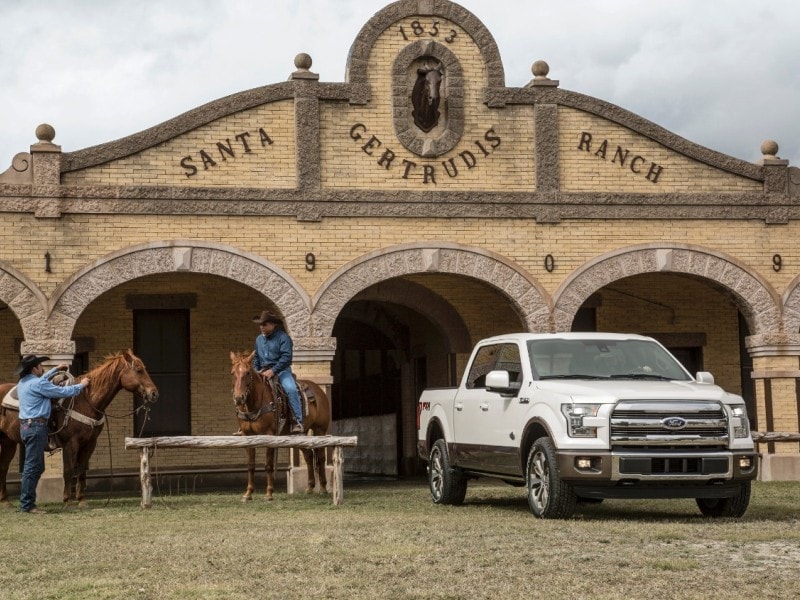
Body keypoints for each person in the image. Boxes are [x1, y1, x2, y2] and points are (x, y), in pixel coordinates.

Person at [14, 355, 89, 514]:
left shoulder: (23, 382)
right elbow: (62, 391)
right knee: (32, 467)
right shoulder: (38, 384)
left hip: (27, 427)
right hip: (37, 427)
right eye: (41, 366)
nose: (43, 368)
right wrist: (81, 385)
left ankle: (27, 502)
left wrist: (56, 369)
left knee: (37, 466)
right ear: (34, 369)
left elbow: (43, 379)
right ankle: (27, 505)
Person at [251, 311, 303, 434]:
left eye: (265, 324)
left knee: (290, 388)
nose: (262, 327)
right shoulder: (259, 339)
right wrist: (256, 371)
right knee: (249, 388)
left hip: (281, 371)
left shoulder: (283, 338)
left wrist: (273, 370)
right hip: (263, 371)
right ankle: (247, 421)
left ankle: (297, 421)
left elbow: (286, 358)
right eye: (260, 325)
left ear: (273, 325)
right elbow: (257, 358)